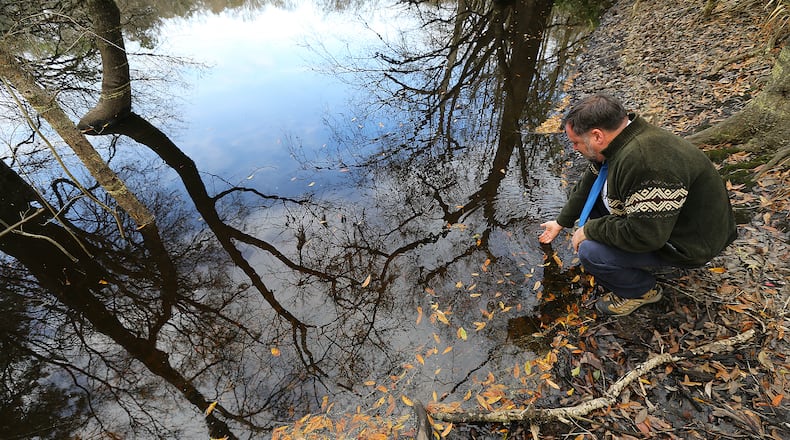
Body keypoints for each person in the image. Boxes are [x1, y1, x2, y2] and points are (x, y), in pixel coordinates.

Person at [539, 93, 737, 316]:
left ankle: (642, 291)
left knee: (590, 251)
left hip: (688, 243)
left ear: (596, 136)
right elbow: (589, 184)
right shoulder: (620, 141)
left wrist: (590, 230)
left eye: (576, 142)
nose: (574, 148)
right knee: (592, 208)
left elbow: (646, 235)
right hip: (664, 222)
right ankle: (624, 262)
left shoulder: (646, 163)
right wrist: (560, 222)